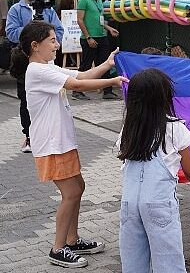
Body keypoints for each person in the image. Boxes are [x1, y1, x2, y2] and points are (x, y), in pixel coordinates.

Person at [11, 21, 127, 268]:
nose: (57, 44)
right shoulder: (37, 70)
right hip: (52, 144)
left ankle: (72, 240)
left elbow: (81, 76)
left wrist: (106, 65)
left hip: (62, 142)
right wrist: (113, 81)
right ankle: (58, 248)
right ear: (35, 45)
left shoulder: (48, 67)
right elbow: (75, 85)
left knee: (78, 187)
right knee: (71, 193)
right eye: (52, 40)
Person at [117, 68, 190, 273]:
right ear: (163, 98)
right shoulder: (175, 128)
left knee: (132, 260)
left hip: (129, 204)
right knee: (168, 261)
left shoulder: (128, 129)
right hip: (159, 204)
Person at [6, 0, 64, 153]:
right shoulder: (16, 10)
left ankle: (49, 133)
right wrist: (32, 31)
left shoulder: (48, 9)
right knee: (26, 99)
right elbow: (10, 32)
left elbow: (59, 30)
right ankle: (29, 135)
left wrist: (51, 42)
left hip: (47, 61)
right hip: (25, 61)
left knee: (51, 98)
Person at [72, 0, 120, 101]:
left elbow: (99, 20)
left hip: (102, 36)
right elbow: (80, 20)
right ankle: (76, 90)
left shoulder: (99, 0)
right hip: (89, 38)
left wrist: (109, 28)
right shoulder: (84, 0)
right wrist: (88, 37)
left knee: (105, 64)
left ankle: (107, 91)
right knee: (86, 64)